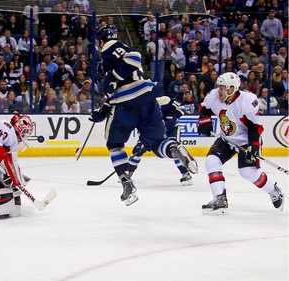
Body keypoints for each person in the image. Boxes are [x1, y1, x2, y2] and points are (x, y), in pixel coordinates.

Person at [90, 26, 198, 206]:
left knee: (115, 145)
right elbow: (115, 84)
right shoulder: (115, 57)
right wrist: (103, 110)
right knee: (157, 143)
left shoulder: (111, 45)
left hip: (125, 104)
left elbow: (134, 57)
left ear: (102, 40)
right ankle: (174, 148)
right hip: (147, 100)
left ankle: (127, 185)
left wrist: (112, 77)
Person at [198, 72, 284, 215]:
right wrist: (204, 119)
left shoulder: (247, 101)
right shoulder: (214, 96)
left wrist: (254, 146)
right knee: (211, 161)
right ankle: (219, 198)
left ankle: (273, 190)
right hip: (226, 139)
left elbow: (255, 127)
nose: (219, 90)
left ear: (232, 89)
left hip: (246, 140)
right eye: (219, 87)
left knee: (248, 172)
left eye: (222, 88)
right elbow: (204, 108)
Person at [129, 95, 193, 186]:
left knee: (174, 149)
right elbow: (143, 130)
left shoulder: (164, 101)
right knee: (137, 150)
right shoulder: (141, 113)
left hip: (172, 129)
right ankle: (128, 175)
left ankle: (186, 174)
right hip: (156, 133)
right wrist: (143, 142)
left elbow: (182, 106)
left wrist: (172, 116)